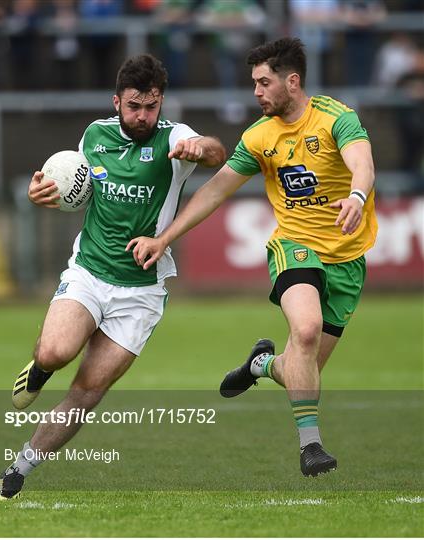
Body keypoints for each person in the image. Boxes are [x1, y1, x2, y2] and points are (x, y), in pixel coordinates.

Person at [127, 38, 378, 477]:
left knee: (301, 369)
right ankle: (311, 447)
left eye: (264, 82)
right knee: (306, 329)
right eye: (254, 83)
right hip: (294, 246)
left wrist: (357, 195)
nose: (257, 92)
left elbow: (363, 163)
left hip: (347, 260)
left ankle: (261, 364)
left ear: (292, 81)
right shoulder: (259, 137)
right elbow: (214, 190)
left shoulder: (337, 118)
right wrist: (164, 237)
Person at [0, 53, 226, 500]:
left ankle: (21, 465)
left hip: (141, 292)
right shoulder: (94, 135)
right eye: (135, 105)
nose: (143, 115)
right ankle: (40, 368)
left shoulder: (175, 139)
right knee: (57, 350)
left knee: (88, 391)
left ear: (161, 104)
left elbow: (218, 153)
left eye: (152, 106)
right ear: (116, 101)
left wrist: (203, 149)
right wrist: (41, 191)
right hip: (89, 272)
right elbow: (73, 185)